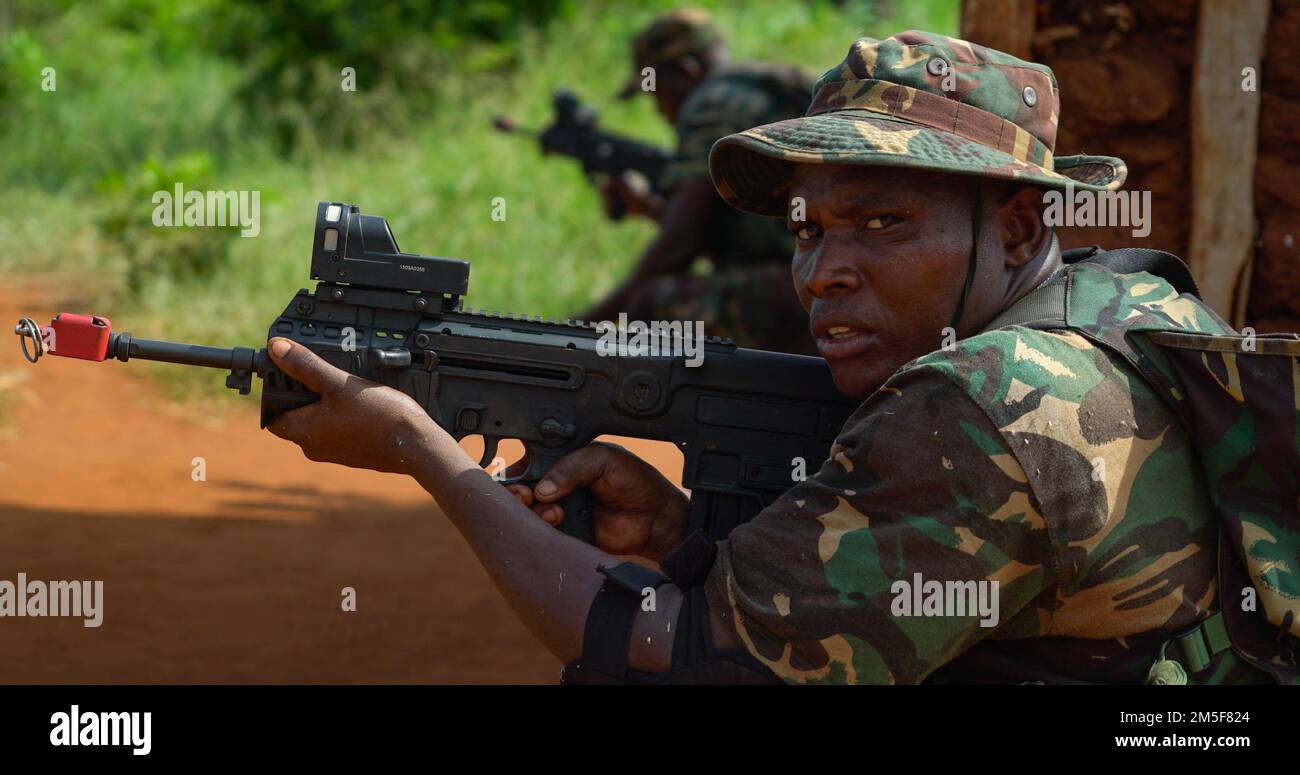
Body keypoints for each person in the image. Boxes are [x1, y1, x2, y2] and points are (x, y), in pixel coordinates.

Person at [263, 31, 1272, 683]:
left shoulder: (982, 402)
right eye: (806, 229)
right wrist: (678, 530)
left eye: (880, 222)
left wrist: (419, 446)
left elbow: (671, 656)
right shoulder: (1123, 302)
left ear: (1013, 229)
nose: (825, 271)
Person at [582, 8, 816, 354]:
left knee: (653, 305)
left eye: (656, 92)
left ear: (686, 72)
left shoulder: (710, 104)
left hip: (807, 287)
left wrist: (584, 324)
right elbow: (745, 240)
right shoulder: (756, 89)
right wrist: (650, 209)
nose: (659, 110)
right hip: (833, 279)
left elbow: (679, 247)